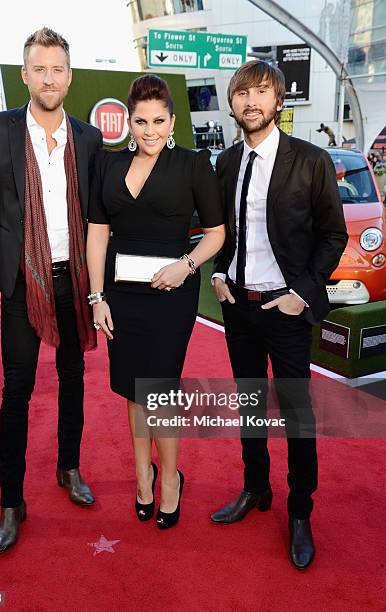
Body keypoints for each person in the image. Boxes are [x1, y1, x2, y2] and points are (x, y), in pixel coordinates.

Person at [0, 27, 102, 554]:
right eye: (39, 69)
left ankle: (68, 468)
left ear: (70, 76)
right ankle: (11, 502)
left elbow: (98, 216)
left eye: (57, 69)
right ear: (25, 75)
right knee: (16, 390)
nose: (49, 78)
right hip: (22, 279)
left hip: (73, 280)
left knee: (73, 378)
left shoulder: (88, 138)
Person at [210, 60, 348, 569]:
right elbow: (219, 230)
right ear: (233, 103)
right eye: (242, 93)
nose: (251, 101)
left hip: (286, 311)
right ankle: (255, 489)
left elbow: (334, 235)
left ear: (279, 101)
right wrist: (219, 274)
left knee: (296, 416)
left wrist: (303, 293)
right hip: (238, 308)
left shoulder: (310, 161)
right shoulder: (224, 163)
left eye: (261, 92)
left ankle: (299, 511)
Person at [87, 75, 225, 530]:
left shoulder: (192, 165)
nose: (150, 131)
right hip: (120, 297)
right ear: (128, 120)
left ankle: (170, 481)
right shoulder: (107, 167)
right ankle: (142, 477)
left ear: (172, 120)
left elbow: (216, 233)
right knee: (133, 390)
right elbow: (98, 234)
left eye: (159, 121)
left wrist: (186, 265)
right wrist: (97, 297)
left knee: (160, 392)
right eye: (141, 121)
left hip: (171, 296)